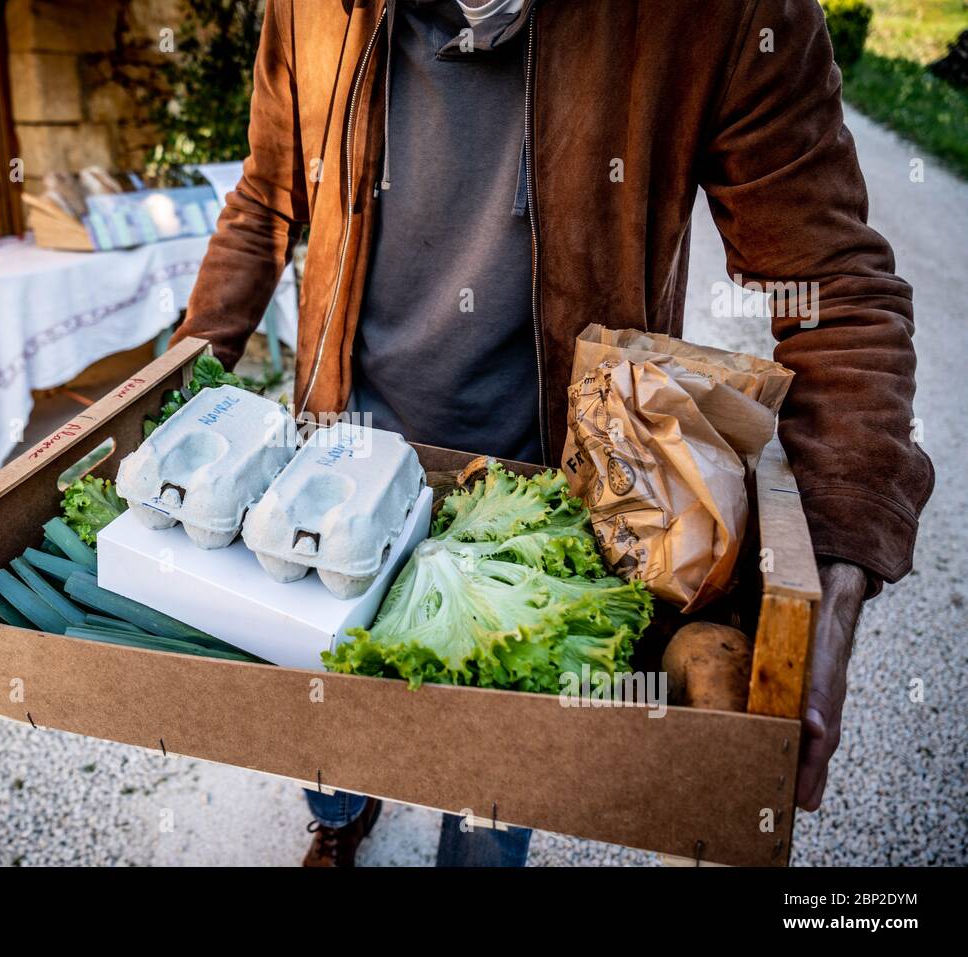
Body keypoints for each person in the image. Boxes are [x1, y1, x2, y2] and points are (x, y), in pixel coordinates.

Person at [171, 0, 935, 866]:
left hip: (553, 516)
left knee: (499, 787)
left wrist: (833, 565)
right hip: (339, 462)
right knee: (325, 723)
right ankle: (341, 815)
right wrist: (174, 389)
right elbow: (265, 198)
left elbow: (835, 289)